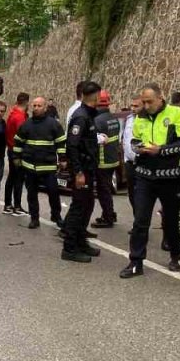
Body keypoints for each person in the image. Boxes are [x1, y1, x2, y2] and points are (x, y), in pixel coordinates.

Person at [121, 83, 180, 277]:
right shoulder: (141, 117)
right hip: (145, 175)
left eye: (149, 101)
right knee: (140, 220)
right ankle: (135, 261)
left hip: (171, 176)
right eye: (143, 102)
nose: (146, 106)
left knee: (171, 218)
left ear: (160, 98)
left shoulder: (178, 114)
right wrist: (139, 147)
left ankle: (175, 255)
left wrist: (160, 150)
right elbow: (134, 140)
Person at [62, 81, 104, 263]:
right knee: (79, 208)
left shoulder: (88, 115)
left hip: (89, 168)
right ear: (95, 96)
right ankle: (70, 248)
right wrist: (78, 172)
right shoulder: (81, 117)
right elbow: (72, 145)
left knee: (87, 205)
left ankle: (80, 241)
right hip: (82, 170)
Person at [13, 96, 65, 229]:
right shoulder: (26, 124)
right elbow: (18, 142)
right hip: (30, 167)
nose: (36, 108)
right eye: (34, 106)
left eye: (39, 106)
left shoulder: (53, 124)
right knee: (32, 194)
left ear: (45, 108)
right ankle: (34, 218)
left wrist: (63, 159)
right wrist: (17, 158)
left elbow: (61, 142)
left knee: (53, 192)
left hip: (48, 166)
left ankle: (56, 216)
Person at [92, 90, 122, 228]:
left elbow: (94, 141)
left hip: (102, 161)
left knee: (103, 190)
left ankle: (108, 217)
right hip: (113, 159)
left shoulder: (97, 120)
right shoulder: (113, 118)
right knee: (107, 188)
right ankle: (109, 214)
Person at [3, 92, 30, 215]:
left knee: (12, 178)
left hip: (11, 148)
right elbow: (23, 135)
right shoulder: (19, 117)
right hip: (17, 151)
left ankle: (8, 204)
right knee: (18, 179)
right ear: (26, 102)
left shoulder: (13, 114)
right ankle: (17, 206)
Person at [121, 96, 142, 203]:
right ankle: (136, 217)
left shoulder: (146, 120)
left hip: (142, 163)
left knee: (142, 195)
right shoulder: (128, 119)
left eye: (136, 106)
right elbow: (124, 139)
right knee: (132, 195)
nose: (133, 108)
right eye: (132, 106)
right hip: (129, 163)